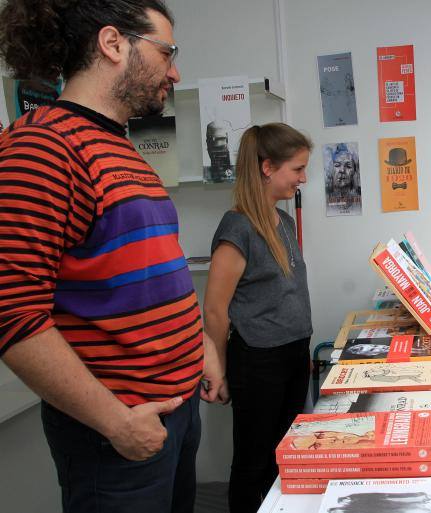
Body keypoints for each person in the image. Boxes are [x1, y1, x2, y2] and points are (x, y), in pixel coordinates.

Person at [0, 2, 227, 512]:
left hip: (175, 408)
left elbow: (148, 277)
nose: (175, 71)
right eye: (166, 52)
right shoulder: (41, 147)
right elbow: (13, 312)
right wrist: (114, 421)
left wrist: (200, 348)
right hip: (118, 430)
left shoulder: (121, 150)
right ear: (113, 43)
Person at [203, 123, 313, 513]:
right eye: (297, 169)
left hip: (293, 353)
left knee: (285, 454)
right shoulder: (237, 227)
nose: (303, 178)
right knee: (254, 462)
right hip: (259, 359)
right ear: (268, 167)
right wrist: (216, 367)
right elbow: (215, 309)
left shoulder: (281, 220)